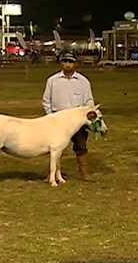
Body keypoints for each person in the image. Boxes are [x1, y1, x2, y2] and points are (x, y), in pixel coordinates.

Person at [42, 52, 94, 181]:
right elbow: (46, 101)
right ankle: (53, 174)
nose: (67, 64)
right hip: (57, 122)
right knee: (56, 148)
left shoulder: (83, 82)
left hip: (77, 122)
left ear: (75, 64)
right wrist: (51, 117)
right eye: (65, 61)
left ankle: (84, 173)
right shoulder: (52, 81)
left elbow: (89, 102)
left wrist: (87, 118)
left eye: (70, 62)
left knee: (81, 146)